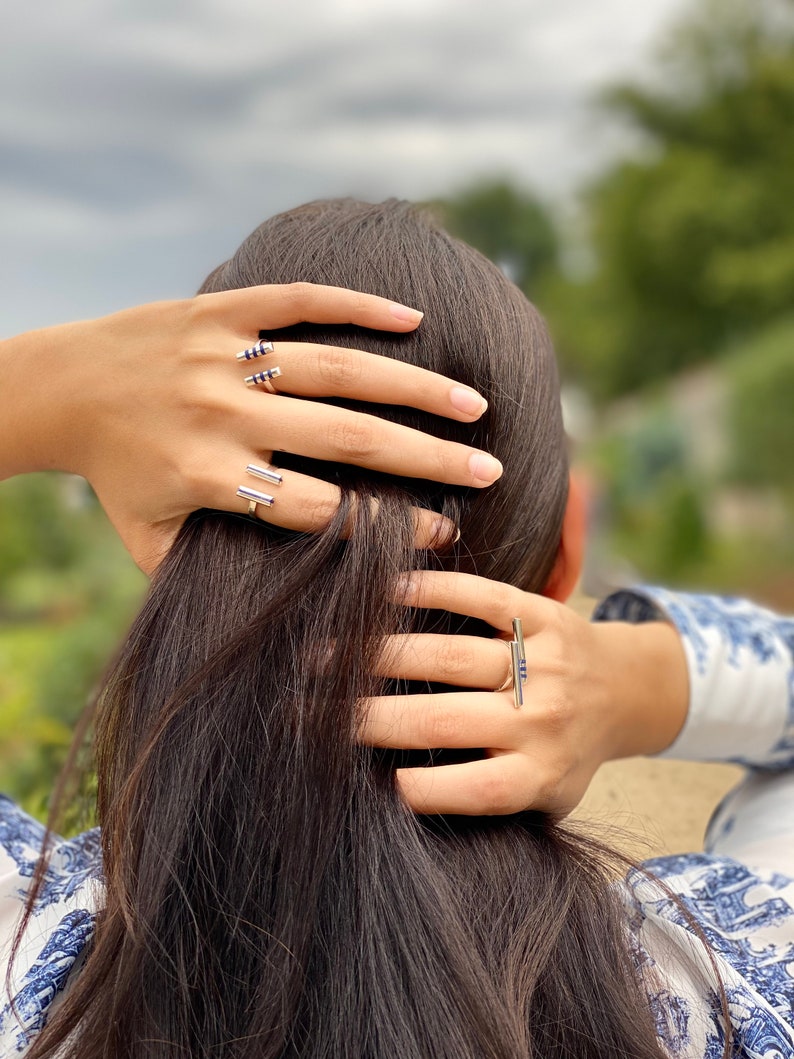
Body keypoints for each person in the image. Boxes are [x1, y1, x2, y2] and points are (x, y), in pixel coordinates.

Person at [0, 199, 789, 1057]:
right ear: (567, 556)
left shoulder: (26, 955)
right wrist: (636, 681)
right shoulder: (737, 975)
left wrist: (44, 390)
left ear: (167, 558)